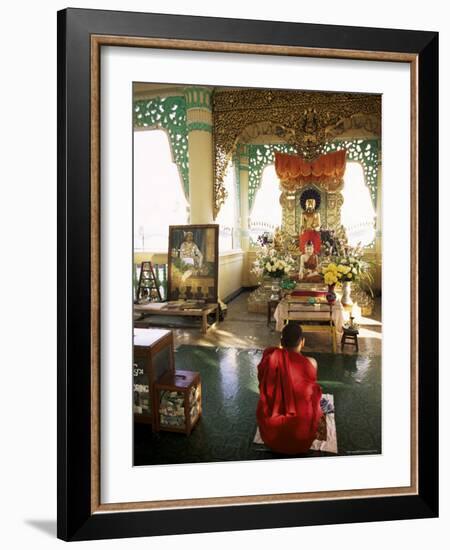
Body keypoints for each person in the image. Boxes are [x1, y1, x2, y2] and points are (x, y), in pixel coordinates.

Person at [256, 323, 323, 454]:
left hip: (271, 436)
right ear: (302, 342)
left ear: (281, 342)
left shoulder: (270, 359)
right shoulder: (311, 363)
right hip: (302, 438)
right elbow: (312, 393)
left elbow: (263, 385)